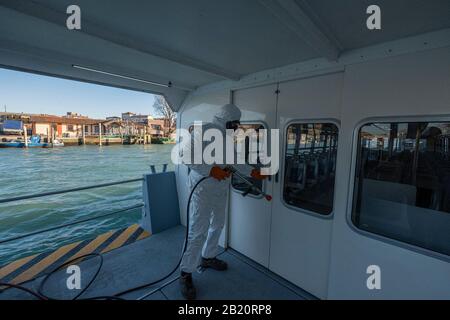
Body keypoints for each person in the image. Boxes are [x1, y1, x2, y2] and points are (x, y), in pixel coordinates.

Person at [179, 103, 267, 300]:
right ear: (226, 120)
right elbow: (185, 155)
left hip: (220, 189)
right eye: (234, 123)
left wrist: (253, 172)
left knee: (218, 224)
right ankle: (185, 273)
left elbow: (234, 161)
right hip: (202, 189)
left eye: (237, 124)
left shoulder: (227, 139)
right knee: (197, 232)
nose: (236, 127)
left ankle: (208, 257)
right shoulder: (205, 130)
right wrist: (210, 170)